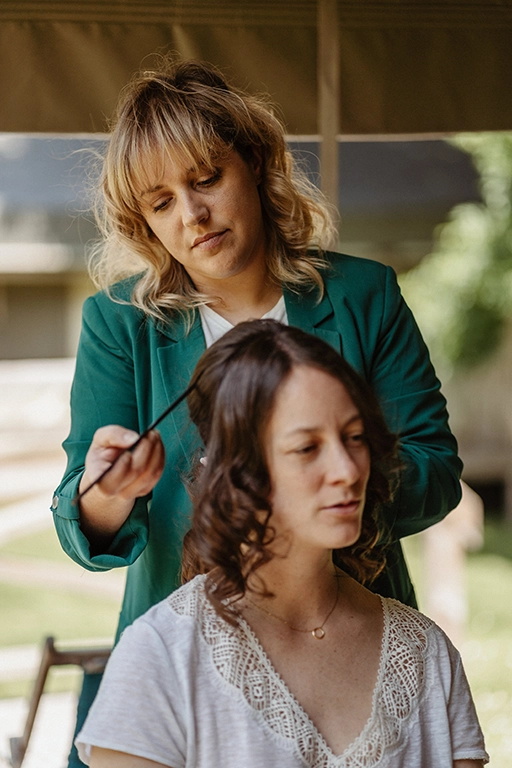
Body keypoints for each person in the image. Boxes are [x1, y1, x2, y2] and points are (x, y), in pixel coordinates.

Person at [51, 57, 462, 767]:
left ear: (256, 162)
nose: (192, 214)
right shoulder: (120, 326)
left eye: (206, 178)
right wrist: (109, 494)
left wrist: (321, 489)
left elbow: (435, 468)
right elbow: (81, 519)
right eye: (162, 202)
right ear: (144, 222)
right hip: (188, 662)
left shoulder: (364, 297)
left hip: (348, 641)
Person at [75, 320, 488, 768]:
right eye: (307, 447)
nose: (348, 470)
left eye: (355, 438)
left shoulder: (427, 653)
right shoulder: (160, 657)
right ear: (239, 472)